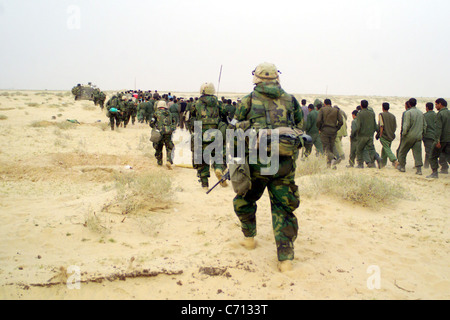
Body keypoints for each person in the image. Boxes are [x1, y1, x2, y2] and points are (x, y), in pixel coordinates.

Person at [231, 62, 302, 272]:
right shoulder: (291, 100)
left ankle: (249, 238)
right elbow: (299, 127)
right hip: (284, 165)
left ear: (257, 78)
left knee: (245, 199)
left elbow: (234, 131)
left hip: (256, 164)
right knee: (283, 208)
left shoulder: (247, 100)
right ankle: (286, 259)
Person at [191, 82, 227, 189]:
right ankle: (219, 168)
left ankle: (204, 184)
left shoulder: (196, 104)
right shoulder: (219, 104)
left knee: (201, 159)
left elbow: (191, 118)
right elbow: (225, 115)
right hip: (216, 133)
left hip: (200, 133)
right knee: (219, 154)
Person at [397, 98, 427, 175]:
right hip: (418, 136)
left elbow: (406, 125)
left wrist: (403, 134)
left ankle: (402, 167)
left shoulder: (408, 113)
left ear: (409, 104)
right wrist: (423, 133)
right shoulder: (421, 113)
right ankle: (419, 170)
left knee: (402, 152)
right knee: (417, 153)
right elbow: (425, 125)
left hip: (409, 136)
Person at [355, 100, 382, 169]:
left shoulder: (359, 114)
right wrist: (378, 132)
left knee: (359, 149)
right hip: (370, 135)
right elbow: (375, 124)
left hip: (362, 135)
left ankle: (360, 164)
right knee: (371, 149)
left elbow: (358, 126)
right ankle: (378, 158)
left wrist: (356, 133)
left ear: (361, 105)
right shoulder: (372, 113)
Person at [317, 98, 343, 168]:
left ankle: (334, 158)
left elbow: (319, 120)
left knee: (326, 148)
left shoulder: (322, 110)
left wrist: (319, 128)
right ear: (330, 103)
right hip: (333, 131)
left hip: (324, 130)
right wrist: (336, 128)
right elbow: (341, 121)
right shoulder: (336, 110)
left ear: (324, 104)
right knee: (331, 147)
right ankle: (329, 166)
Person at [427, 98, 450, 178]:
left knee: (432, 156)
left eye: (436, 104)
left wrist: (437, 140)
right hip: (448, 140)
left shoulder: (440, 114)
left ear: (440, 104)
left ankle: (434, 173)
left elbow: (438, 128)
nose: (435, 106)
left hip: (442, 139)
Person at [150, 100, 176, 169]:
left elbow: (151, 123)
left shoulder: (156, 113)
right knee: (169, 147)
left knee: (158, 147)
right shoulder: (170, 113)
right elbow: (174, 123)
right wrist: (171, 129)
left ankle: (159, 161)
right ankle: (169, 160)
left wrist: (154, 127)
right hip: (168, 133)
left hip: (159, 132)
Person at [378, 102, 399, 168]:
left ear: (382, 107)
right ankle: (382, 164)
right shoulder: (393, 116)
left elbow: (381, 126)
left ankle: (394, 160)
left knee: (387, 149)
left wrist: (380, 134)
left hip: (384, 135)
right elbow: (395, 126)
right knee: (385, 149)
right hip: (391, 135)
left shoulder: (381, 115)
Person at [422, 102, 437, 169]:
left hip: (427, 135)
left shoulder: (424, 115)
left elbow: (423, 126)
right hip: (435, 136)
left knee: (428, 151)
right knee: (434, 151)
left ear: (427, 107)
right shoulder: (436, 115)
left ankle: (427, 165)